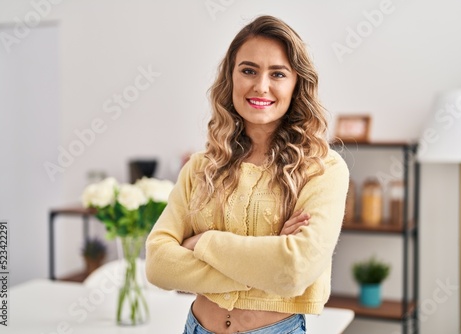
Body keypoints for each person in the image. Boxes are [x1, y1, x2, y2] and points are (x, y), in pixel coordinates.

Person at [145, 15, 349, 334]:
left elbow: (295, 269)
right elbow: (158, 264)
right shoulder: (201, 166)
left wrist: (202, 242)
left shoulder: (322, 168)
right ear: (232, 77)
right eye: (248, 70)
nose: (260, 86)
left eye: (278, 73)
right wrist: (265, 263)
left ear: (297, 83)